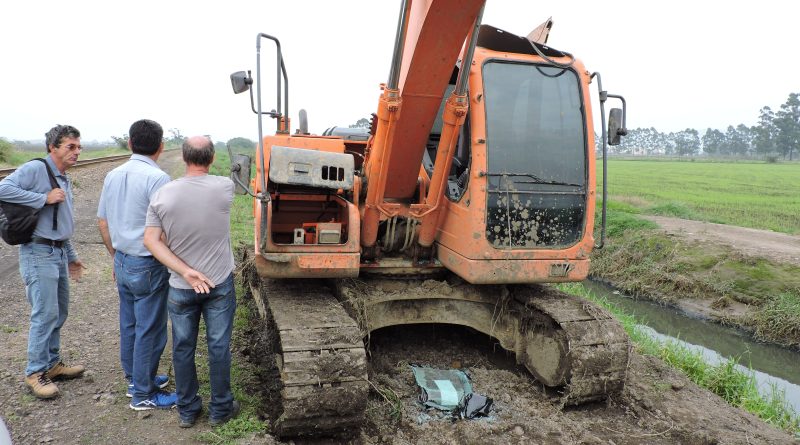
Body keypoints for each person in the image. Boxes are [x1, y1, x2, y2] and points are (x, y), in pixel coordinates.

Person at [143, 136, 239, 427]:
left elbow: (151, 240)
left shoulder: (162, 195)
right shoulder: (225, 187)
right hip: (219, 284)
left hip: (182, 287)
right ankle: (221, 409)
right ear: (211, 159)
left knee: (183, 348)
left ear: (184, 158)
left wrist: (185, 271)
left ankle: (187, 410)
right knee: (218, 346)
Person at [0, 125, 86, 399]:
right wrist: (42, 198)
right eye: (70, 147)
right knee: (45, 313)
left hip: (57, 252)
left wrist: (71, 256)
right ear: (53, 147)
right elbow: (2, 188)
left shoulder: (63, 176)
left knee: (59, 312)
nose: (76, 152)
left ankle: (52, 364)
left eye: (78, 146)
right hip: (38, 252)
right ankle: (35, 372)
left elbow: (59, 221)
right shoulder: (37, 169)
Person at [97, 119, 177, 410]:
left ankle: (135, 379)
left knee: (129, 323)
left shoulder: (112, 175)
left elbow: (102, 222)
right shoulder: (158, 179)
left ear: (130, 143)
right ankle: (144, 394)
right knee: (151, 328)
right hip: (148, 263)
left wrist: (115, 255)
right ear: (160, 146)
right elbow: (165, 230)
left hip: (122, 259)